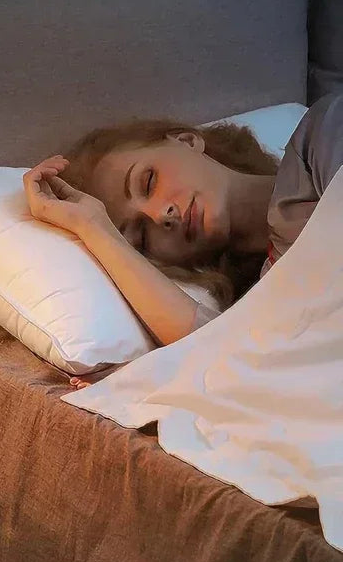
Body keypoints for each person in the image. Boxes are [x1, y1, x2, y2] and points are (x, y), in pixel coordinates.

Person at [23, 94, 343, 388]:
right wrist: (92, 225)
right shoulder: (260, 306)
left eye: (148, 182)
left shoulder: (321, 136)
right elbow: (219, 358)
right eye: (142, 237)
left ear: (187, 140)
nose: (162, 215)